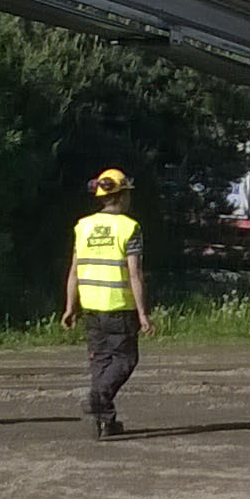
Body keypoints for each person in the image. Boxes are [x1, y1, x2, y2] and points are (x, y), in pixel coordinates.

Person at [60, 169, 152, 439]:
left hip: (91, 307)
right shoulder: (129, 227)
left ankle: (105, 423)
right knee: (125, 359)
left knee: (101, 363)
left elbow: (74, 270)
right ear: (122, 196)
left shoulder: (83, 226)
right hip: (119, 308)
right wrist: (143, 314)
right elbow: (134, 274)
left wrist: (69, 306)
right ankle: (97, 398)